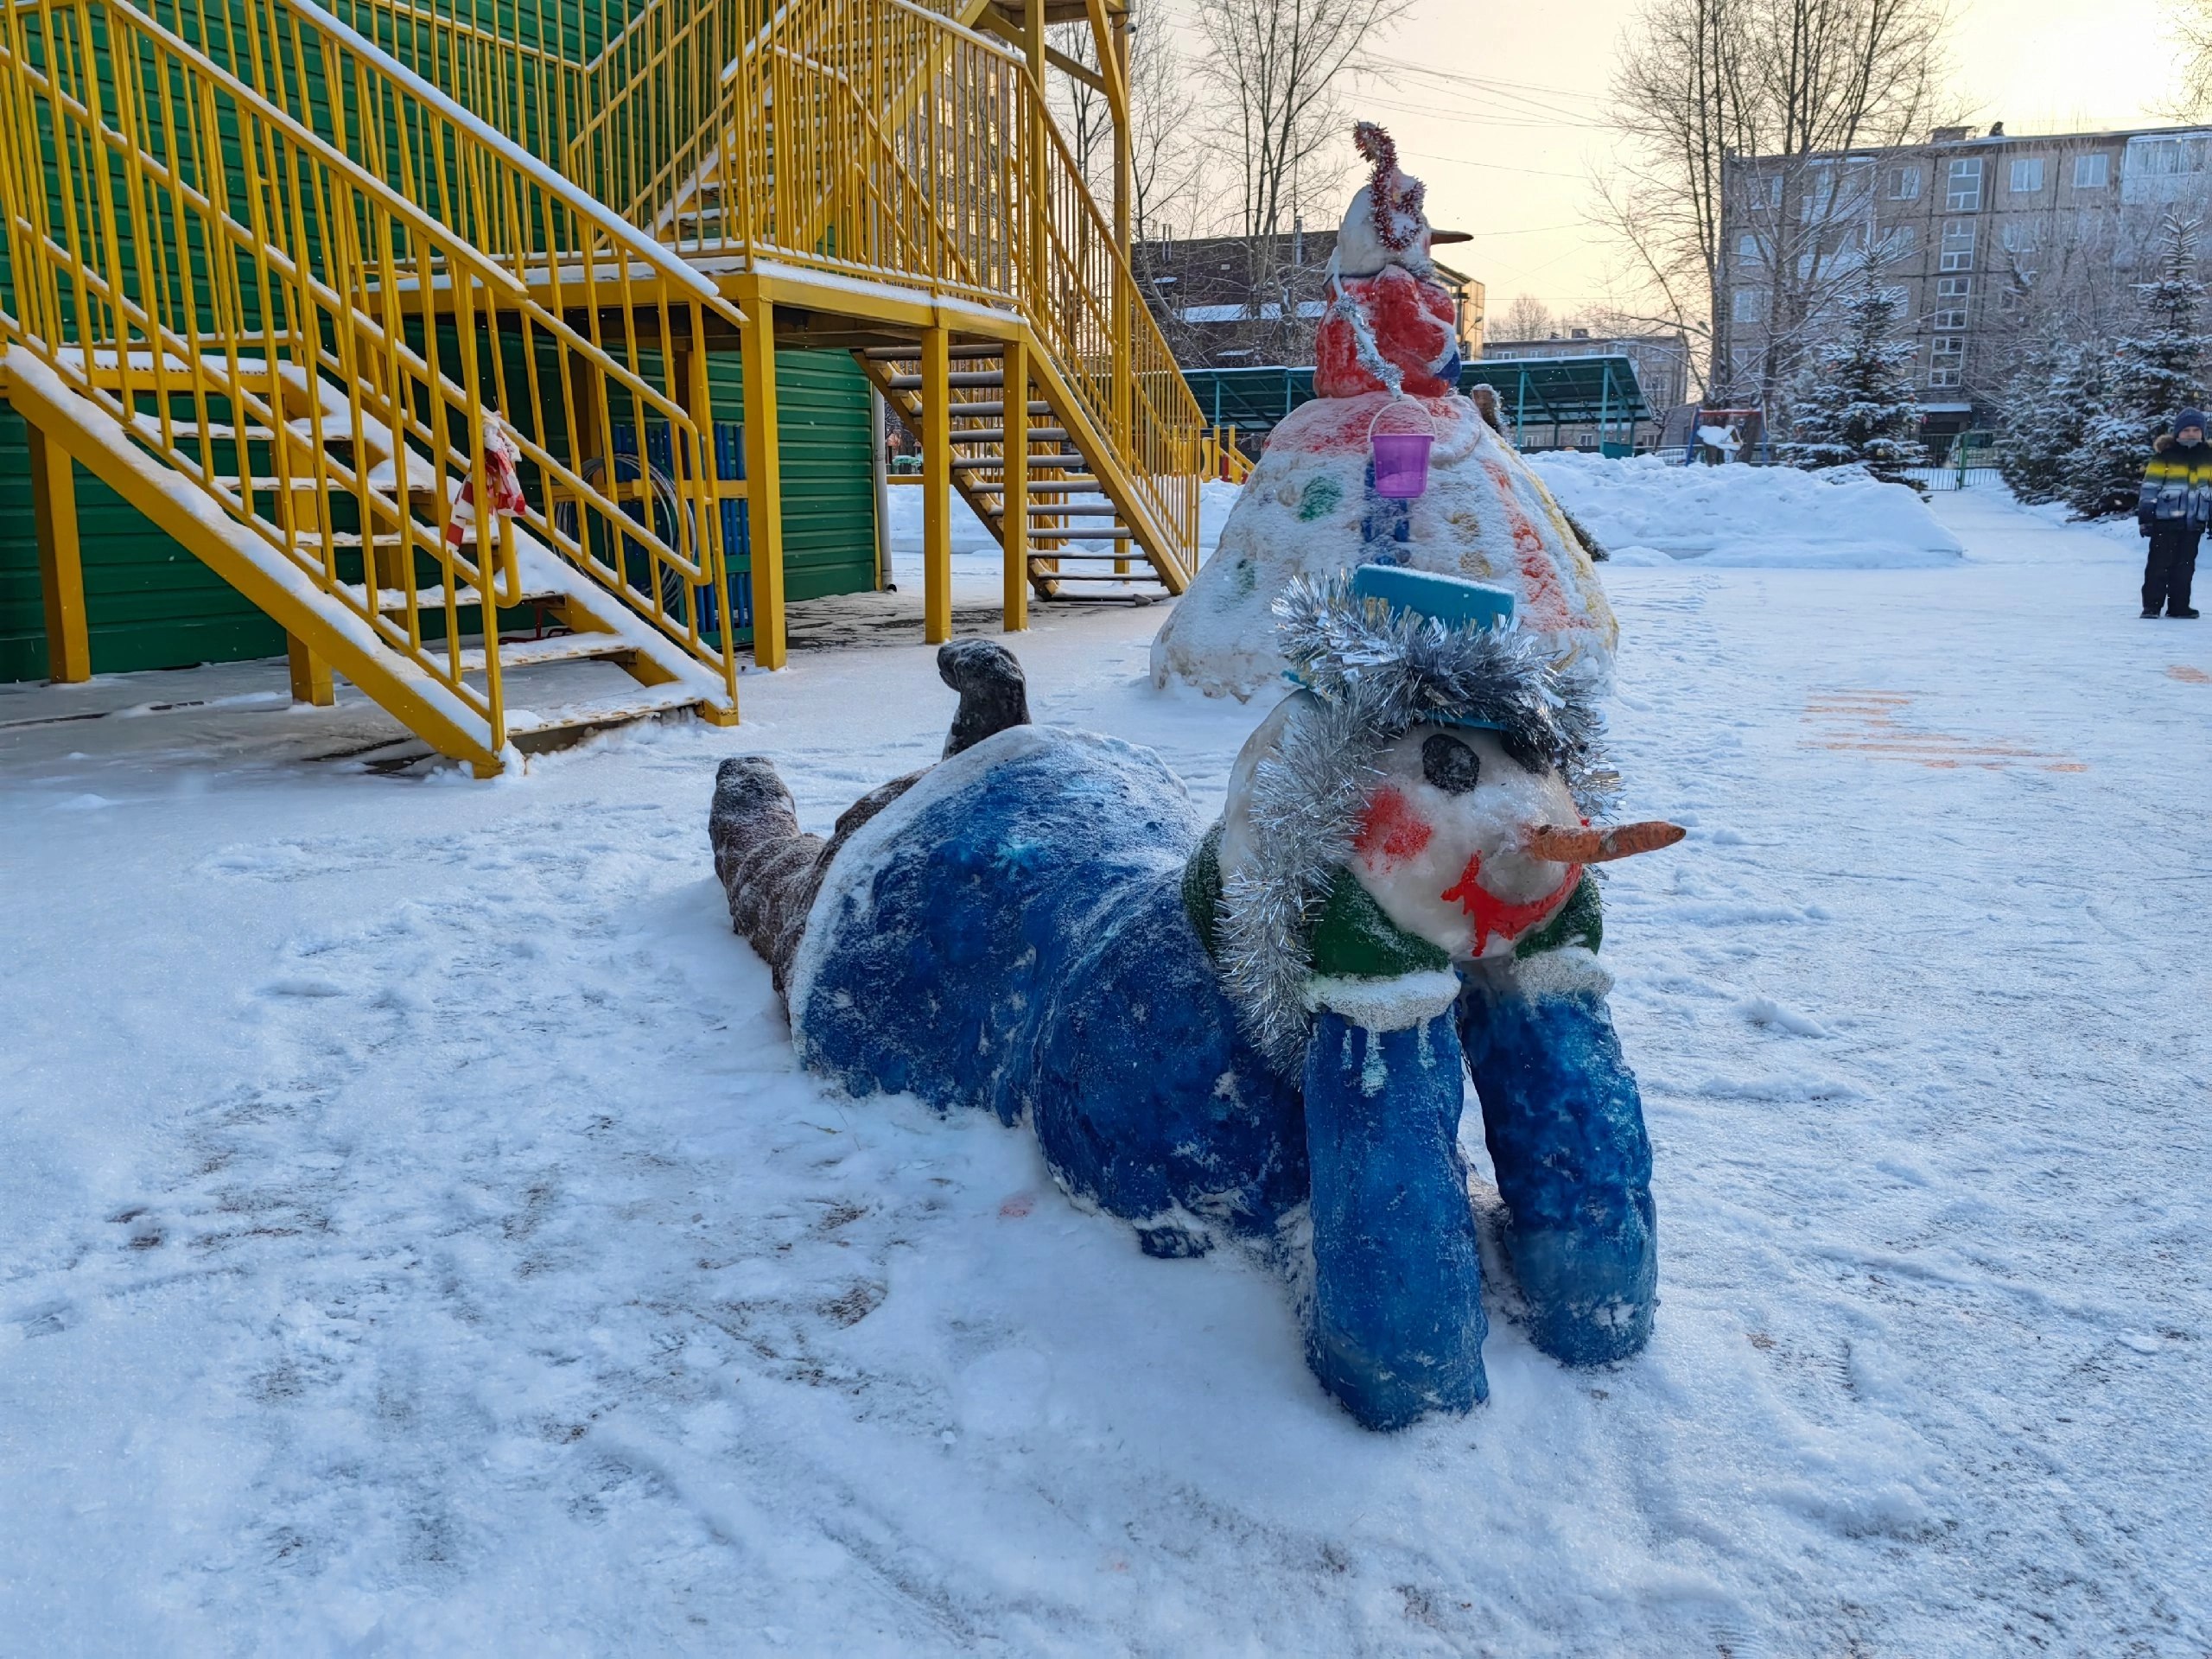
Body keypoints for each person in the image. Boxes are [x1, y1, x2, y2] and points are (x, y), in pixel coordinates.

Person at [2137, 409, 2212, 619]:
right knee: (2159, 565)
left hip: (2194, 522)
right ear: (2177, 433)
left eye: (2196, 430)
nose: (2191, 434)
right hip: (2166, 521)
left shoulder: (2208, 457)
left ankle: (2179, 606)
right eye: (2186, 430)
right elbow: (2150, 489)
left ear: (2202, 433)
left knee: (2185, 567)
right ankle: (2152, 606)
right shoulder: (2165, 457)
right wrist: (2146, 519)